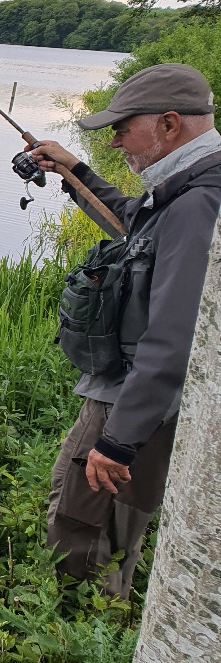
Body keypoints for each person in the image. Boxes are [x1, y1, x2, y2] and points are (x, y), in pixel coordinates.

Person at [28, 62, 221, 599]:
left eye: (122, 128)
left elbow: (174, 338)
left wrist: (118, 440)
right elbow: (134, 224)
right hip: (138, 396)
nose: (116, 142)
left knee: (86, 516)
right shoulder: (190, 186)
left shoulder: (199, 203)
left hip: (138, 401)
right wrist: (76, 175)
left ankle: (81, 631)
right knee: (100, 513)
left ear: (168, 124)